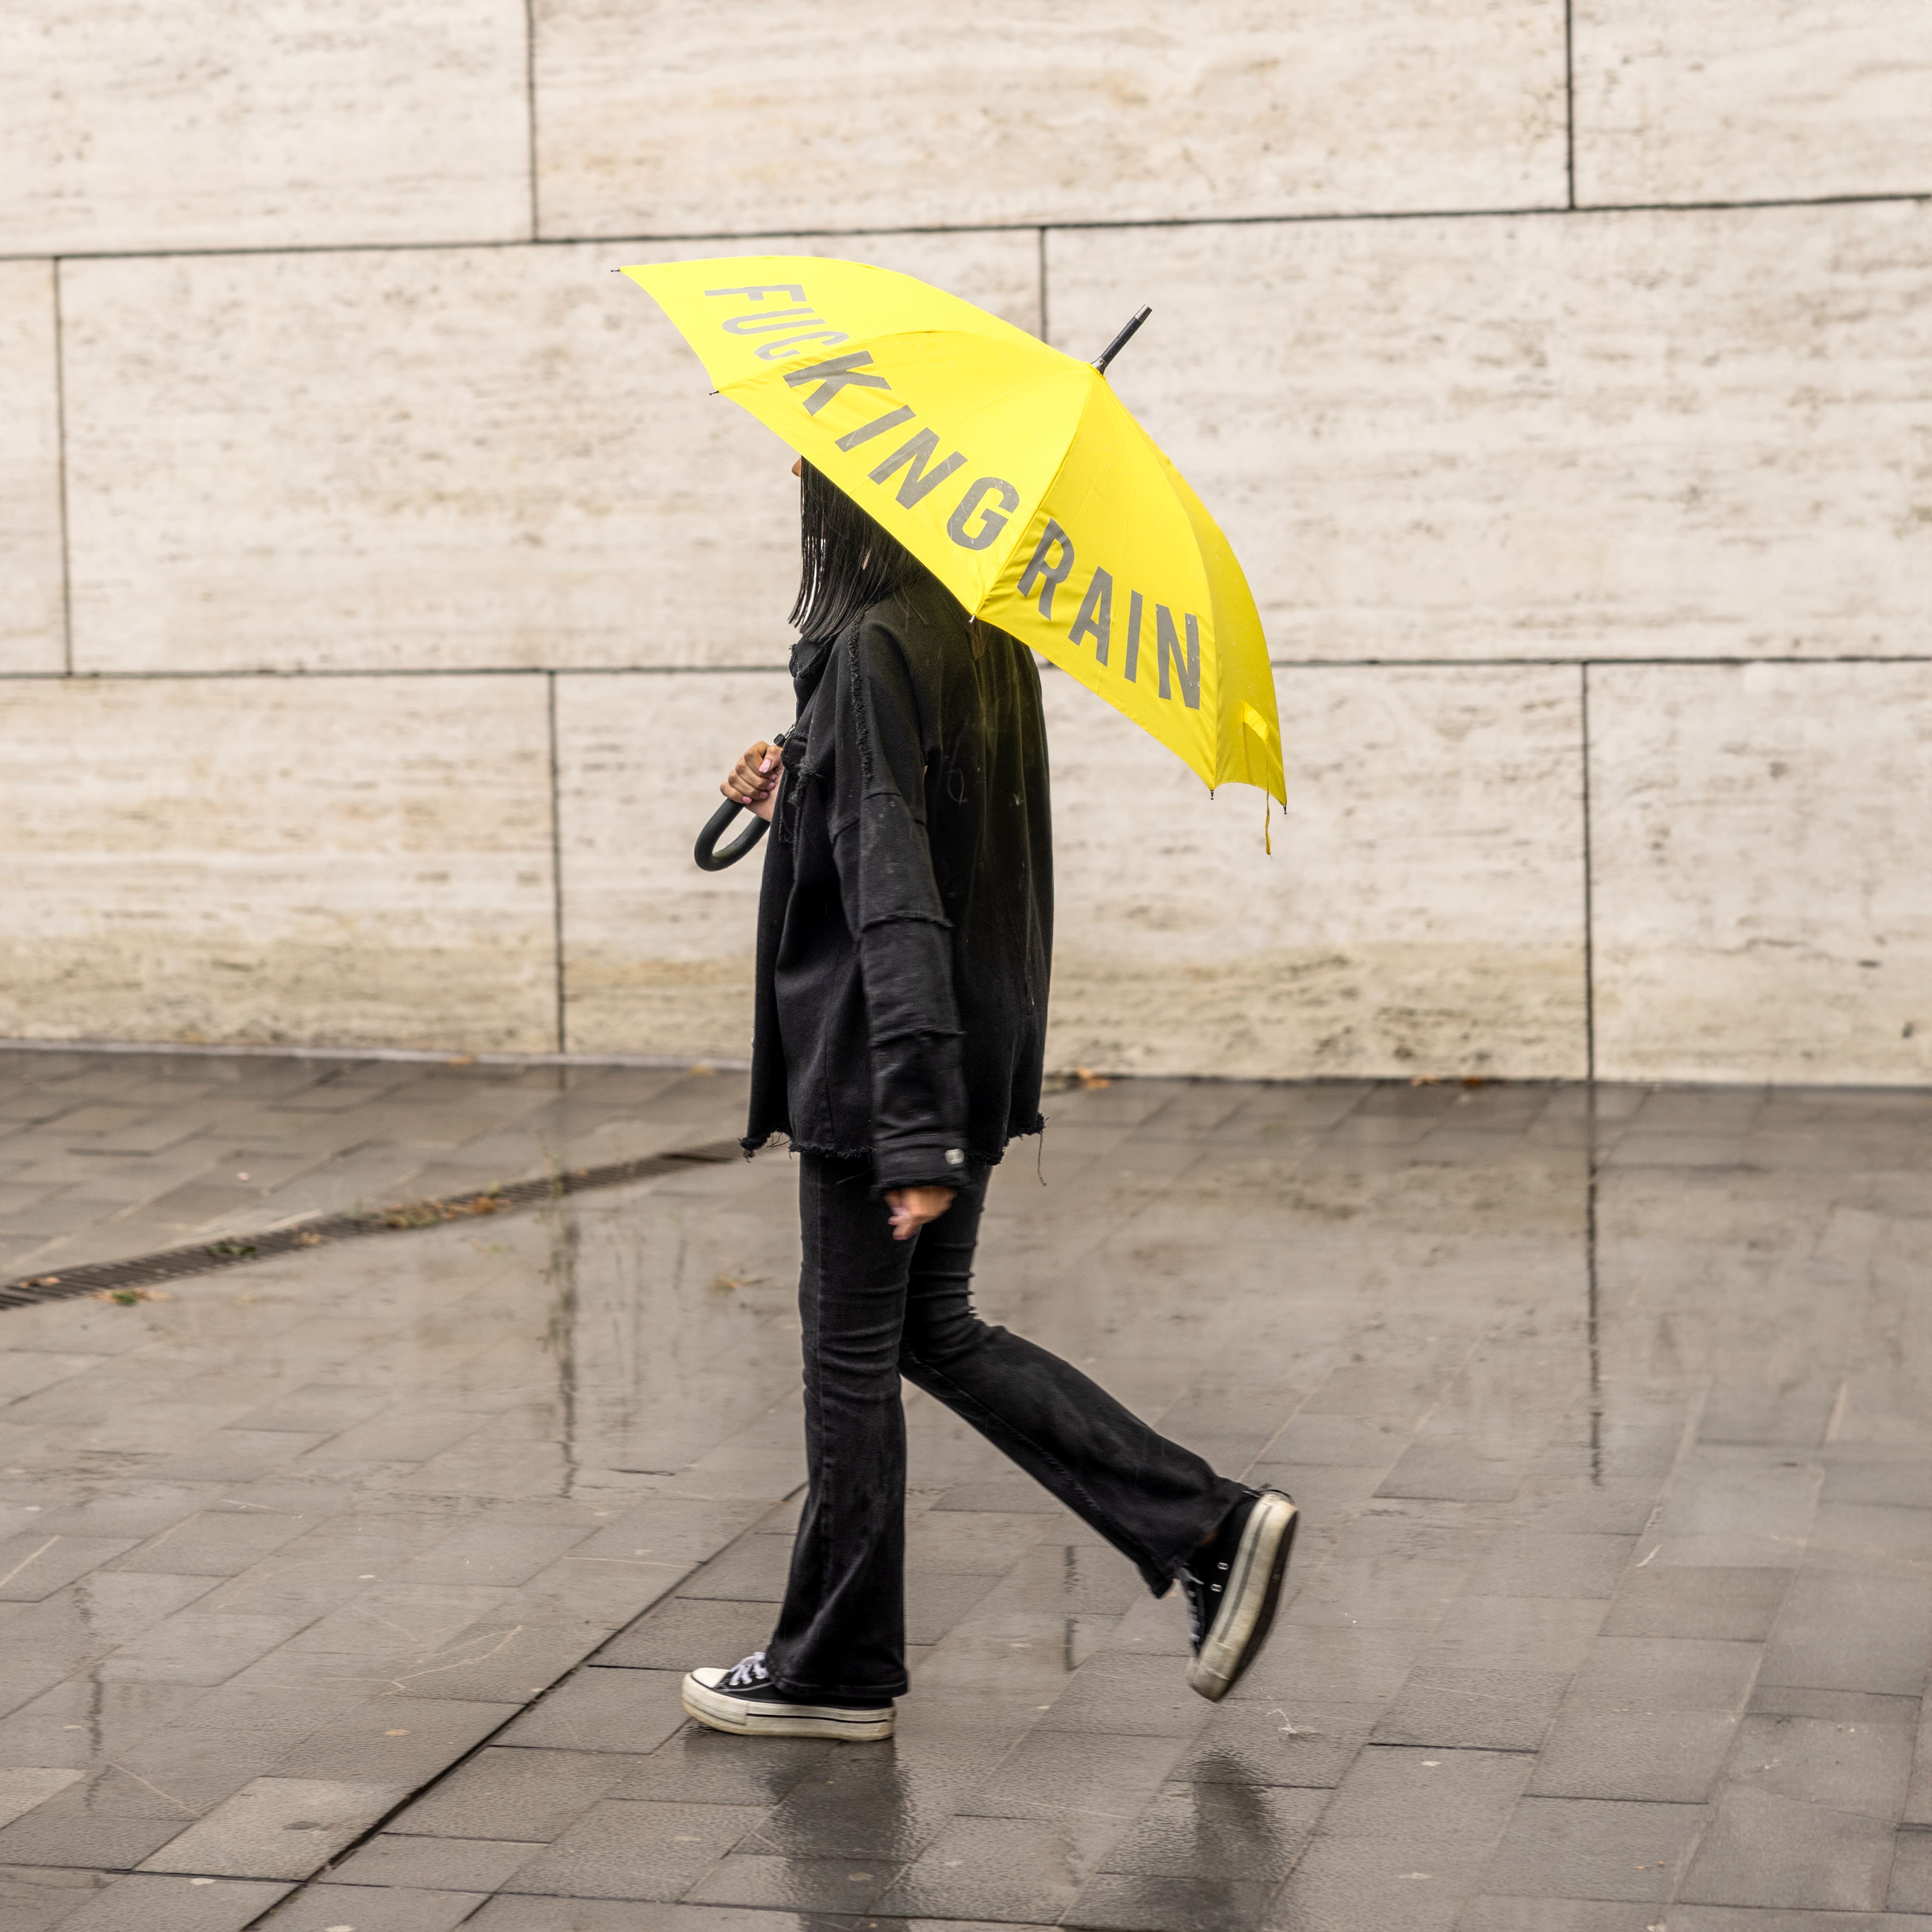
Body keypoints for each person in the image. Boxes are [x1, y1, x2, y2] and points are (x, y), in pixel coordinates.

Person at [681, 457, 1296, 1742]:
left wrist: (907, 1126)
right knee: (933, 1331)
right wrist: (806, 775)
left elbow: (896, 891)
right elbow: (930, 835)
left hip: (885, 1061)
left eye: (811, 485)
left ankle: (832, 1666)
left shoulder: (872, 649)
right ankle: (1206, 1523)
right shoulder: (973, 638)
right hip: (966, 1045)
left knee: (849, 1355)